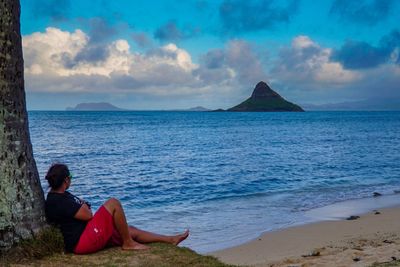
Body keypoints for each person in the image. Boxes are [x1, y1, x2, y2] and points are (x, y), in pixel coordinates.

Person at [44, 163, 189, 254]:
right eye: (71, 176)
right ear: (65, 180)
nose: (71, 179)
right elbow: (88, 214)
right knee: (113, 203)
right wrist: (83, 206)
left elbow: (84, 209)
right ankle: (128, 244)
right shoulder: (57, 201)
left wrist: (83, 206)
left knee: (128, 229)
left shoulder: (62, 195)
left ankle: (170, 239)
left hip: (88, 233)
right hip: (82, 242)